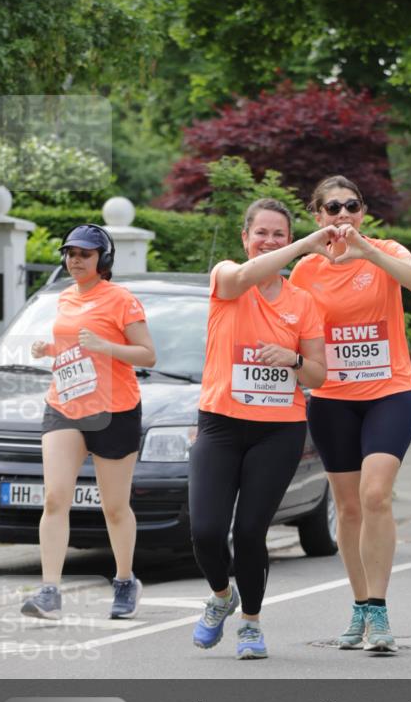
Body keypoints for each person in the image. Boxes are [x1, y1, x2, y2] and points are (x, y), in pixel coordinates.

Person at [289, 176, 411, 653]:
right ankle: (359, 606)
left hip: (388, 392)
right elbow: (293, 326)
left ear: (363, 211)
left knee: (375, 495)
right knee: (348, 508)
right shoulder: (306, 269)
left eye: (351, 206)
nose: (343, 215)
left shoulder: (386, 251)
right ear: (317, 216)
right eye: (332, 208)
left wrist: (367, 252)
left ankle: (380, 608)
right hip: (332, 399)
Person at [189, 198, 331, 659]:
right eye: (261, 233)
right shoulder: (227, 277)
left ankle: (250, 623)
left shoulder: (302, 303)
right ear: (245, 237)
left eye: (279, 234)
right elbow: (243, 277)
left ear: (287, 239)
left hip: (278, 430)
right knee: (206, 531)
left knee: (250, 531)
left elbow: (318, 376)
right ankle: (220, 596)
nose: (269, 241)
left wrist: (293, 359)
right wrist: (305, 246)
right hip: (220, 425)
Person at [21, 224, 156, 621]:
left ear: (103, 260)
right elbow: (75, 347)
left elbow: (147, 355)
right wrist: (50, 349)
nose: (75, 260)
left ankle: (125, 580)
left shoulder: (122, 300)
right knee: (54, 497)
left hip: (114, 409)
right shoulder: (65, 296)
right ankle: (49, 592)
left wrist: (106, 346)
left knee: (114, 507)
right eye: (71, 253)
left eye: (85, 254)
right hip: (64, 404)